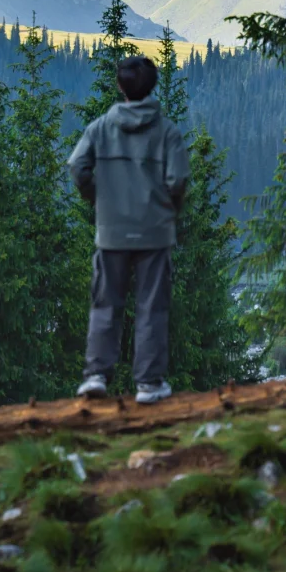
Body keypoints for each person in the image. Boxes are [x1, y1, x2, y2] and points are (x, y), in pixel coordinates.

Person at [67, 53, 190, 404]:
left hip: (111, 231)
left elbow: (78, 167)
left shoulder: (100, 128)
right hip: (154, 231)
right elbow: (178, 179)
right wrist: (168, 211)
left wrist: (98, 200)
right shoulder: (167, 131)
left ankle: (95, 377)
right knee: (152, 306)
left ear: (120, 86)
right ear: (152, 86)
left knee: (105, 304)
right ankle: (149, 384)